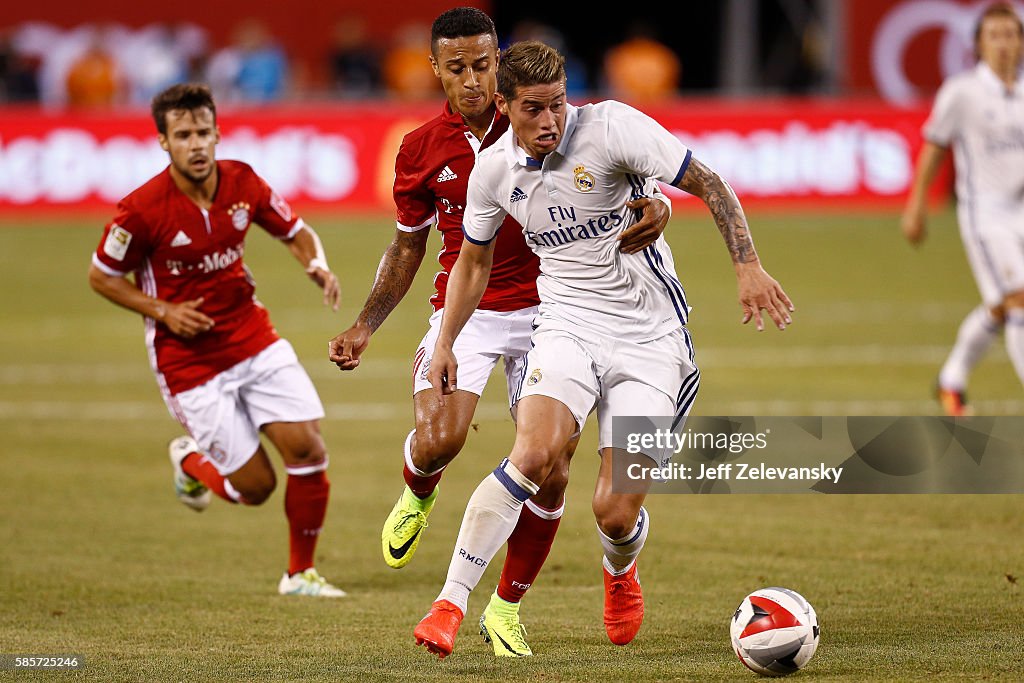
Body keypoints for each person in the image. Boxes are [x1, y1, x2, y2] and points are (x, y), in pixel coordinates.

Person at [412, 39, 793, 658]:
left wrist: (747, 267)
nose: (549, 122)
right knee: (532, 456)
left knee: (613, 511)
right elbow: (472, 262)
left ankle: (620, 570)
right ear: (504, 107)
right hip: (566, 324)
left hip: (650, 339)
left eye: (557, 105)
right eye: (533, 109)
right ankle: (449, 605)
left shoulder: (612, 128)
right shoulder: (494, 172)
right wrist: (446, 341)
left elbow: (711, 183)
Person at [327, 8, 671, 657]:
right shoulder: (423, 148)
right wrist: (365, 323)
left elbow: (634, 179)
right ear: (435, 70)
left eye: (482, 64)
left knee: (552, 471)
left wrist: (659, 205)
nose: (470, 79)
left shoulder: (555, 128)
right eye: (455, 67)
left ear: (499, 63)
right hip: (472, 310)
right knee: (440, 438)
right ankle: (418, 487)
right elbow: (407, 248)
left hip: (556, 311)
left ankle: (505, 607)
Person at [88, 83, 345, 598]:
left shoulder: (243, 181)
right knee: (256, 489)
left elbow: (295, 229)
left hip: (251, 335)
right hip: (189, 362)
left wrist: (315, 263)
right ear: (164, 142)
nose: (197, 144)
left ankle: (300, 575)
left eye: (204, 132)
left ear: (217, 132)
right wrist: (163, 310)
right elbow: (102, 276)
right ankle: (189, 460)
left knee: (308, 448)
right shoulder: (141, 210)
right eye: (183, 135)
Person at [901, 1, 1024, 415]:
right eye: (995, 36)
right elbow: (934, 147)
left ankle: (951, 380)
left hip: (1021, 211)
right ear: (979, 45)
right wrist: (917, 204)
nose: (1004, 44)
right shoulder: (963, 92)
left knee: (1000, 306)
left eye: (1011, 35)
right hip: (986, 215)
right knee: (1019, 300)